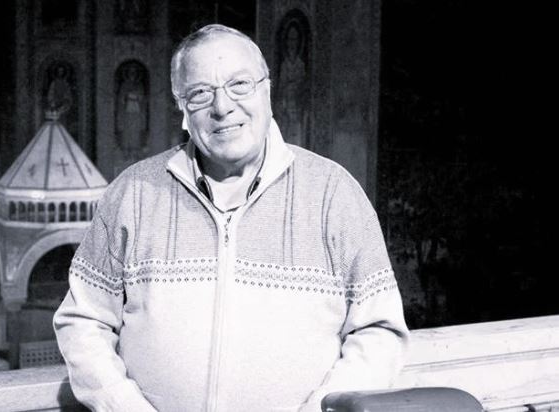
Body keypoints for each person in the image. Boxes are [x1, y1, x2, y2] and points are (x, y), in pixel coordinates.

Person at [54, 24, 409, 412]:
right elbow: (83, 321)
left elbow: (379, 331)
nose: (222, 107)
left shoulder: (334, 194)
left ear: (267, 91)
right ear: (181, 107)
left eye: (240, 85)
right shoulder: (132, 193)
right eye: (200, 93)